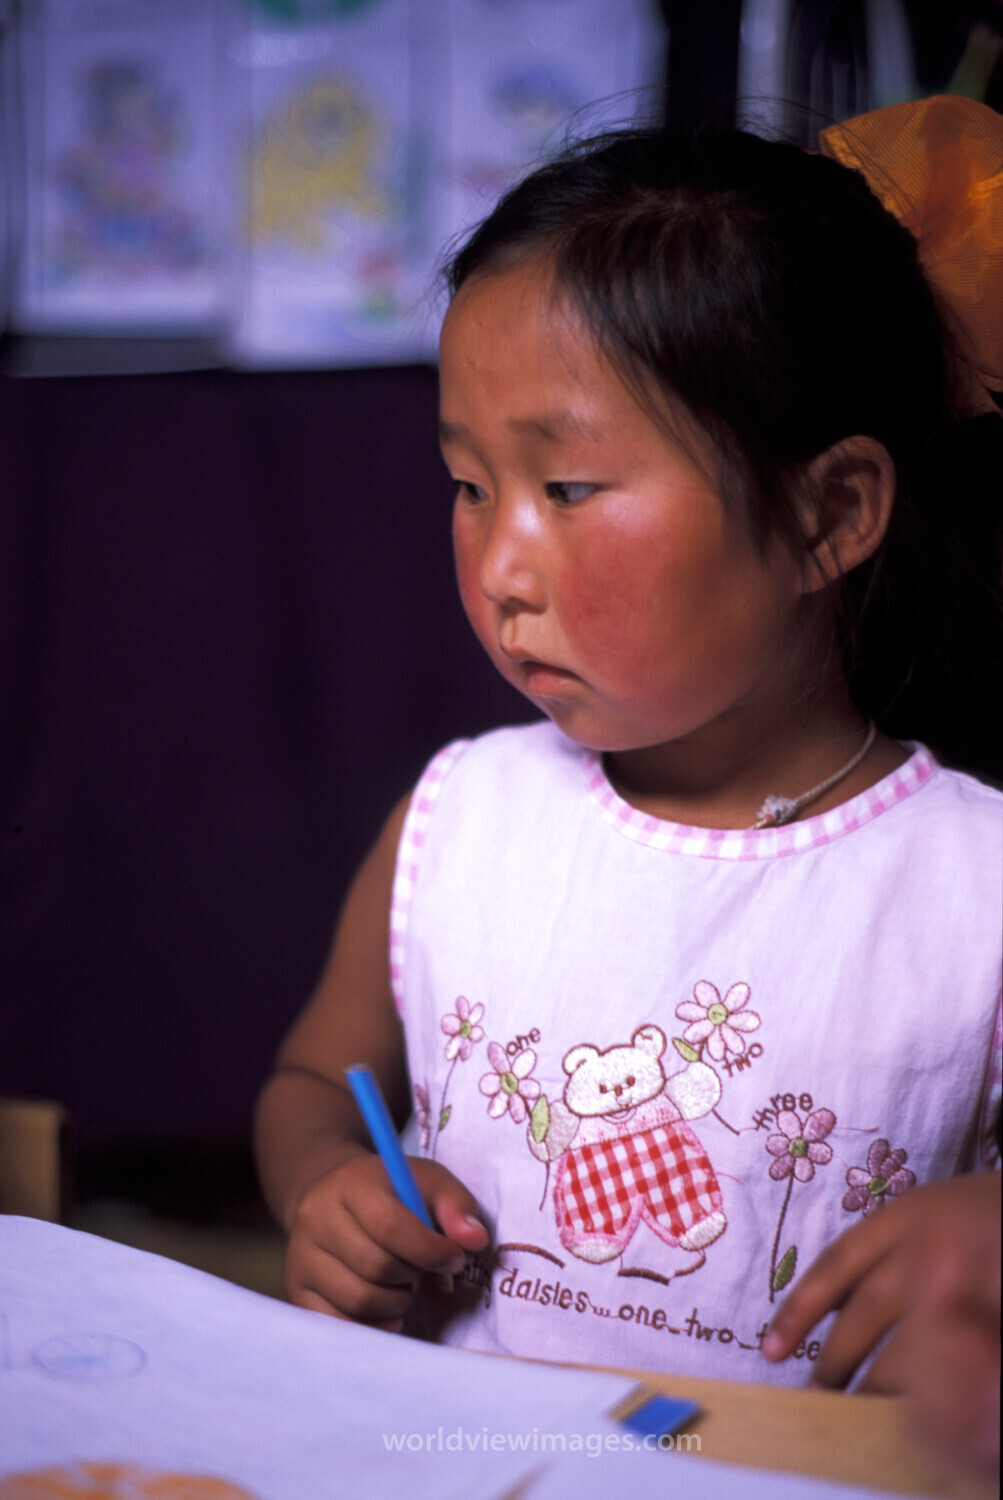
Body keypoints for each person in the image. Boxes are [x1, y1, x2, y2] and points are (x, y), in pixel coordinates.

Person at [255, 96, 1002, 1392]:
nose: (500, 566)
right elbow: (314, 1081)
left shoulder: (973, 886)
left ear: (831, 515)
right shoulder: (461, 822)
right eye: (471, 488)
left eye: (570, 491)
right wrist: (328, 1182)